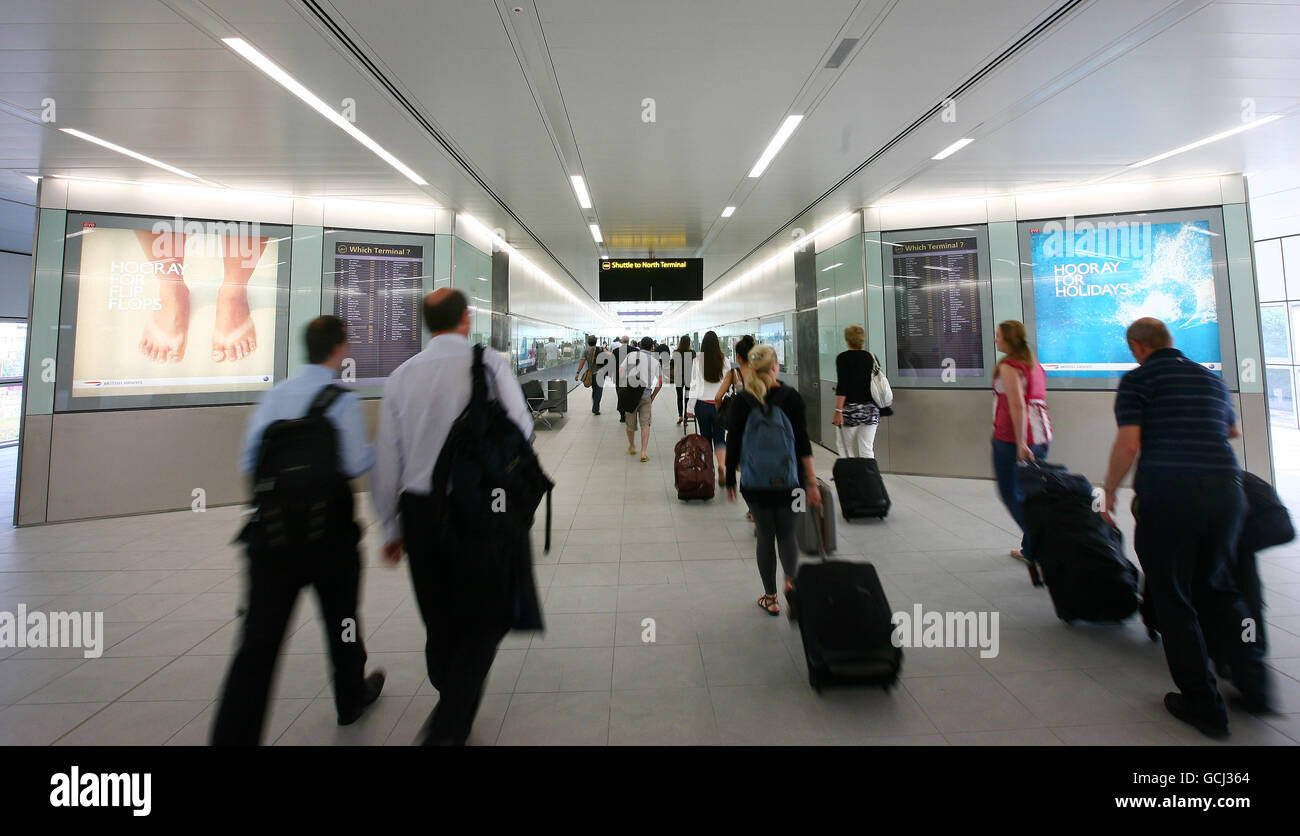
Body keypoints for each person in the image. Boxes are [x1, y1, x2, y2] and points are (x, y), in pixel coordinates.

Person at [212, 315, 385, 745]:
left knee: (258, 641)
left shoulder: (274, 397)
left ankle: (234, 735)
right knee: (341, 619)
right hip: (329, 538)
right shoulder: (341, 401)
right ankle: (350, 698)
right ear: (339, 348)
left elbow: (249, 463)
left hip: (271, 538)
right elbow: (356, 464)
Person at [372, 289, 534, 745]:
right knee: (488, 612)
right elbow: (521, 430)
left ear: (428, 323)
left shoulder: (401, 377)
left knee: (439, 612)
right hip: (480, 509)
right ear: (465, 319)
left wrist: (389, 526)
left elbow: (386, 459)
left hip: (421, 513)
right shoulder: (489, 366)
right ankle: (450, 719)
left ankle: (450, 689)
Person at [1100, 317, 1273, 738]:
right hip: (1228, 492)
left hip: (1170, 495)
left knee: (1174, 597)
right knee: (1222, 589)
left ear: (1137, 347)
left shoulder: (1139, 381)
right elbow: (1230, 429)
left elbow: (1128, 442)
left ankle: (1203, 704)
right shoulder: (1209, 379)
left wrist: (1108, 490)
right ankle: (1255, 688)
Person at [724, 344, 821, 616]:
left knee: (765, 535)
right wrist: (811, 482)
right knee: (788, 533)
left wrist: (730, 477)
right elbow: (802, 444)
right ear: (776, 366)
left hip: (755, 484)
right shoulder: (791, 397)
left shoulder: (743, 400)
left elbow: (733, 444)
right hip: (792, 482)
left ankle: (771, 598)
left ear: (751, 369)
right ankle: (791, 582)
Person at [990, 320, 1052, 563]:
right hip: (1041, 435)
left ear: (1009, 339)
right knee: (1031, 493)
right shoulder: (1034, 363)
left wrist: (1020, 443)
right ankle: (1031, 549)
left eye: (998, 336)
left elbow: (1017, 404)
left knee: (1010, 492)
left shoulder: (1009, 366)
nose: (996, 340)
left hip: (1012, 438)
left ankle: (1040, 540)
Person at [717, 335, 755, 518]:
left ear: (738, 357)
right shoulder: (761, 373)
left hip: (739, 427)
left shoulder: (734, 374)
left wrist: (723, 412)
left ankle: (752, 507)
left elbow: (718, 397)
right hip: (759, 425)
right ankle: (758, 508)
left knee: (744, 466)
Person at [831, 325, 883, 458]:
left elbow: (843, 386)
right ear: (862, 340)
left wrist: (838, 411)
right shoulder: (871, 357)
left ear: (847, 340)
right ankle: (868, 476)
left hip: (850, 410)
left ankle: (850, 476)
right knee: (867, 448)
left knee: (845, 447)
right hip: (871, 409)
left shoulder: (843, 358)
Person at [686, 331, 728, 482]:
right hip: (719, 405)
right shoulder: (725, 360)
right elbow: (728, 384)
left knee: (704, 438)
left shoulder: (697, 361)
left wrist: (690, 408)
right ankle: (722, 466)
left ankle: (708, 470)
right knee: (720, 438)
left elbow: (694, 385)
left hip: (702, 405)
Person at [621, 336, 663, 462]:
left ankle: (632, 446)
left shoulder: (631, 356)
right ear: (652, 347)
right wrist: (653, 396)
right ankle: (643, 453)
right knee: (645, 424)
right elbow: (660, 382)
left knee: (630, 423)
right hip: (646, 396)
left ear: (640, 345)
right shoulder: (655, 361)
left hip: (630, 396)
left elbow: (621, 372)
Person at [574, 334, 605, 415]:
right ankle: (596, 408)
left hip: (591, 374)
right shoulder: (601, 349)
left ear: (588, 342)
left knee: (594, 390)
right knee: (599, 391)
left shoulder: (586, 350)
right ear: (596, 341)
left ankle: (595, 406)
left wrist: (578, 373)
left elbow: (582, 362)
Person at [672, 335, 695, 425]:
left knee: (679, 397)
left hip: (678, 378)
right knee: (687, 397)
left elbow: (673, 365)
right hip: (689, 378)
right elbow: (694, 365)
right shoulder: (692, 352)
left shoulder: (676, 352)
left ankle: (680, 416)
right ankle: (685, 418)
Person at [613, 336, 633, 423]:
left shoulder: (615, 351)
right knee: (631, 394)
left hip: (619, 377)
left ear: (621, 341)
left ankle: (622, 415)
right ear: (628, 341)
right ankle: (629, 413)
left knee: (620, 395)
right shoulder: (634, 350)